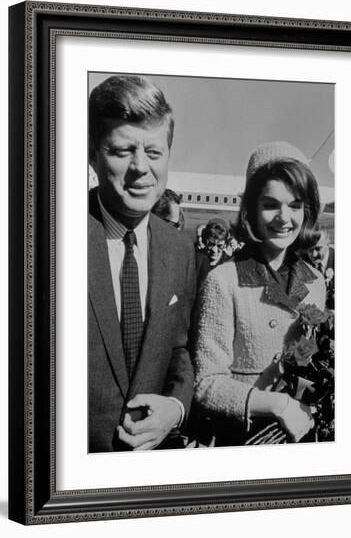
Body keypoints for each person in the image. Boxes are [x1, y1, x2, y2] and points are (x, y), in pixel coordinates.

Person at [88, 75, 197, 452]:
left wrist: (176, 406)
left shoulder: (180, 249)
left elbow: (179, 349)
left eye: (154, 153)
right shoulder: (46, 238)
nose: (140, 168)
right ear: (91, 153)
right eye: (121, 151)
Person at [194, 141, 326, 446]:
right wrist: (277, 405)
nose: (284, 218)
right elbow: (206, 384)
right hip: (246, 440)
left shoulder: (316, 281)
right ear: (251, 208)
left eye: (295, 205)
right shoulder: (223, 280)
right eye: (270, 204)